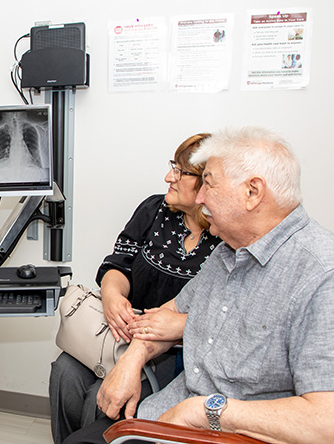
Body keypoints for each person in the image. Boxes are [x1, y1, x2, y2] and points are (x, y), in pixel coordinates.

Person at [70, 126, 334, 443]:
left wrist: (203, 411)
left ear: (253, 192)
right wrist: (132, 358)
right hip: (170, 416)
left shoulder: (329, 275)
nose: (200, 196)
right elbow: (167, 316)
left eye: (208, 183)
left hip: (227, 433)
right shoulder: (230, 251)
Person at [50, 133, 222, 443]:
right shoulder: (154, 210)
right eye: (173, 166)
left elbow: (223, 313)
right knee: (64, 371)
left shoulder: (226, 235)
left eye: (181, 172)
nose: (169, 177)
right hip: (120, 333)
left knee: (100, 399)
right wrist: (112, 296)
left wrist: (171, 328)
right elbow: (118, 264)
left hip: (174, 350)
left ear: (206, 184)